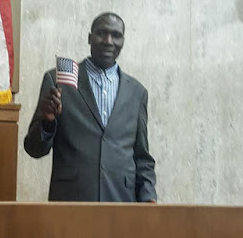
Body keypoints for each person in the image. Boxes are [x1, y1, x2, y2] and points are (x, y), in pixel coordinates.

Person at [24, 12, 157, 202]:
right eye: (101, 33)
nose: (108, 41)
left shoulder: (137, 92)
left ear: (123, 41)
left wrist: (148, 196)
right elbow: (34, 149)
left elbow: (142, 157)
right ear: (89, 38)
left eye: (116, 35)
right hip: (72, 203)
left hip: (122, 204)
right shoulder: (58, 81)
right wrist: (47, 121)